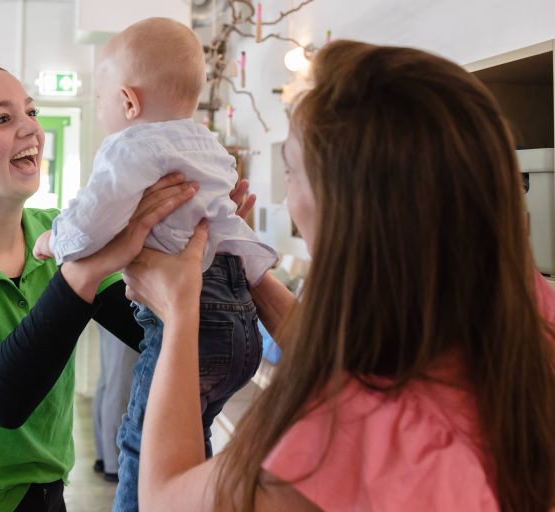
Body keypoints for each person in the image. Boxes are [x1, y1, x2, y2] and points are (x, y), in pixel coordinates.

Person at [123, 40, 555, 511]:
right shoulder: (526, 309)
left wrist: (179, 309)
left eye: (290, 174)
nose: (289, 202)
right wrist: (243, 261)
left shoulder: (345, 442)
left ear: (345, 211)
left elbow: (166, 500)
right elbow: (358, 356)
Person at [0, 61, 202, 511]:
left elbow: (151, 331)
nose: (31, 129)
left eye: (31, 112)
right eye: (3, 118)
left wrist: (199, 237)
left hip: (47, 497)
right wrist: (82, 273)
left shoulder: (61, 235)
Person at [32, 17, 277, 512]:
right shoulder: (209, 146)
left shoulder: (129, 147)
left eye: (100, 99)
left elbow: (93, 218)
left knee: (143, 446)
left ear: (127, 101)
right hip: (242, 327)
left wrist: (52, 240)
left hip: (190, 326)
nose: (101, 110)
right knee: (190, 436)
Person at [91, 324, 138, 483]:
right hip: (125, 303)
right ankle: (114, 462)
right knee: (118, 381)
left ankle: (104, 457)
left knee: (109, 379)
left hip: (109, 302)